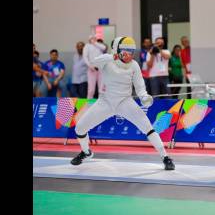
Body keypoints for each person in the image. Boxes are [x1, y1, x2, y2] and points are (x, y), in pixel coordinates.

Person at [70, 36, 175, 171]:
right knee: (80, 128)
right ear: (118, 50)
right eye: (126, 51)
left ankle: (165, 157)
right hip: (105, 102)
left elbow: (140, 87)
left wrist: (144, 97)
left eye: (131, 51)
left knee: (148, 127)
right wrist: (111, 57)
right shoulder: (107, 60)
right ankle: (86, 152)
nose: (129, 55)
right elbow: (93, 61)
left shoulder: (134, 65)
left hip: (125, 102)